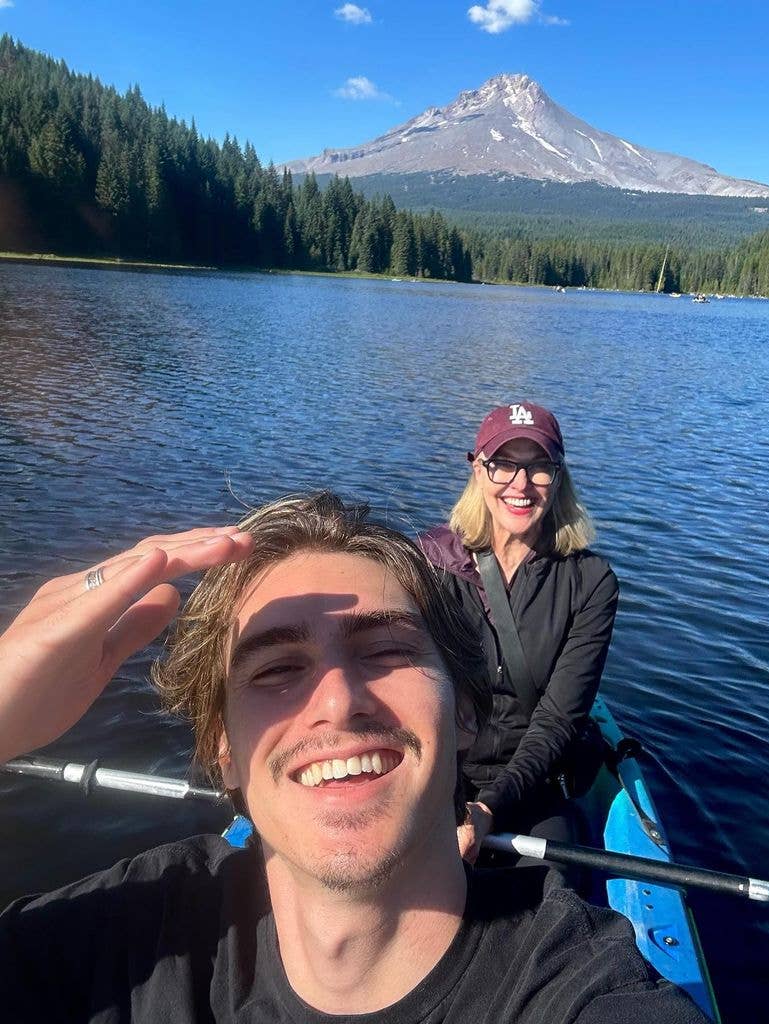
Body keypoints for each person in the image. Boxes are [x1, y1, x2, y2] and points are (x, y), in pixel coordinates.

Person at [0, 493, 706, 1022]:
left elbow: (561, 716)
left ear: (464, 708)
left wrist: (493, 804)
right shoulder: (124, 940)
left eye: (388, 651)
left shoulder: (581, 994)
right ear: (222, 746)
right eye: (277, 669)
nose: (338, 701)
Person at [420, 402, 619, 867]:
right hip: (436, 770)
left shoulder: (590, 583)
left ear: (559, 477)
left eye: (539, 467)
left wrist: (488, 809)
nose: (521, 484)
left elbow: (557, 721)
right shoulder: (429, 564)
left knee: (551, 886)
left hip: (530, 778)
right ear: (477, 469)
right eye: (503, 464)